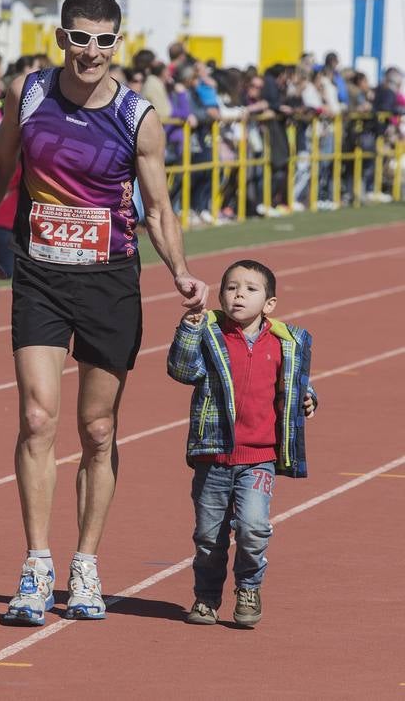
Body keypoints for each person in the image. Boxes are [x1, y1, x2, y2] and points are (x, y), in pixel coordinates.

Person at [0, 0, 208, 626]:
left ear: (116, 43)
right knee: (38, 419)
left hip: (108, 281)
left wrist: (179, 270)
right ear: (61, 37)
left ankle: (87, 562)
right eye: (79, 37)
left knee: (97, 431)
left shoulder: (137, 117)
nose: (90, 51)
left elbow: (157, 207)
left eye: (103, 40)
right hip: (40, 273)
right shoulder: (31, 94)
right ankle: (37, 564)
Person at [167, 259, 317, 627]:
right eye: (231, 287)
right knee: (208, 537)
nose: (239, 295)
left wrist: (309, 398)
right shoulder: (208, 334)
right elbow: (183, 371)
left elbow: (294, 385)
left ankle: (249, 586)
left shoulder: (286, 342)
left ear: (269, 304)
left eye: (250, 289)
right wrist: (189, 329)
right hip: (213, 456)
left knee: (253, 527)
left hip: (259, 458)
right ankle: (206, 598)